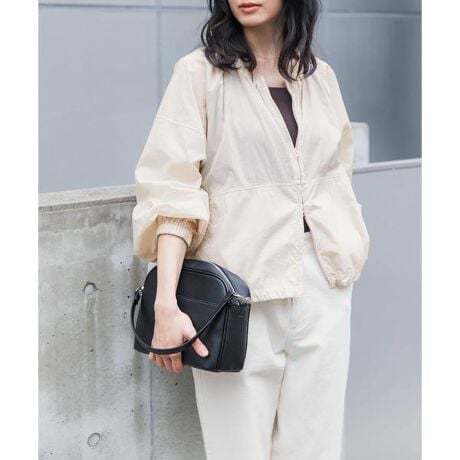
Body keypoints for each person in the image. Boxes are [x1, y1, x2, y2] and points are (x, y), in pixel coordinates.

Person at [132, 0, 371, 458]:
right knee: (237, 448)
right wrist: (165, 304)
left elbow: (337, 173)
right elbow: (172, 191)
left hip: (323, 282)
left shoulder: (320, 78)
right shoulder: (198, 74)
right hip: (237, 293)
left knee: (316, 448)